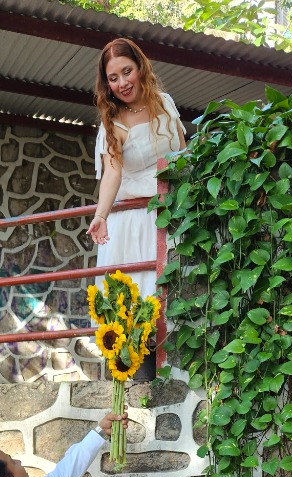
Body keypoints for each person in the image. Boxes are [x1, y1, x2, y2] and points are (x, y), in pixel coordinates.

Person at [86, 38, 186, 298]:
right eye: (113, 78)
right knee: (136, 303)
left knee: (173, 300)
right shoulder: (113, 122)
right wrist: (101, 215)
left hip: (172, 214)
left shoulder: (166, 103)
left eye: (127, 71)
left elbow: (184, 155)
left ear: (141, 66)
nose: (122, 83)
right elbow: (112, 172)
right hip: (134, 220)